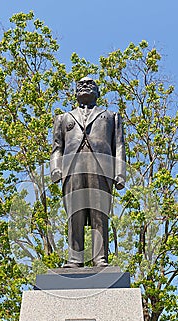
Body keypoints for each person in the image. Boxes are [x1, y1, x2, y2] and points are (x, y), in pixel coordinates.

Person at [51, 77, 126, 268]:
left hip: (101, 167)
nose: (85, 86)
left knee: (99, 213)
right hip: (72, 168)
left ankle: (100, 258)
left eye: (90, 84)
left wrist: (120, 173)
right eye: (81, 85)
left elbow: (119, 146)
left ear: (98, 92)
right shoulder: (63, 118)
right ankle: (75, 258)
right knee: (74, 213)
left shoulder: (111, 116)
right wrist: (56, 168)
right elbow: (57, 148)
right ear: (75, 93)